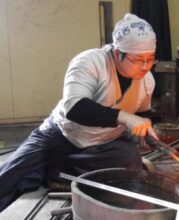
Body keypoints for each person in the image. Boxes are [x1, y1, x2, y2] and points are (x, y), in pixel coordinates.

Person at [0, 13, 159, 212]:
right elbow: (75, 108)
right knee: (9, 177)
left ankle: (61, 172)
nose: (145, 66)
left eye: (150, 59)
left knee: (129, 164)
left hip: (103, 143)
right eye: (138, 60)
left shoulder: (147, 80)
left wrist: (145, 124)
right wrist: (126, 118)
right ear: (119, 53)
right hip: (61, 134)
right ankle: (58, 168)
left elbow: (143, 113)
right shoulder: (90, 62)